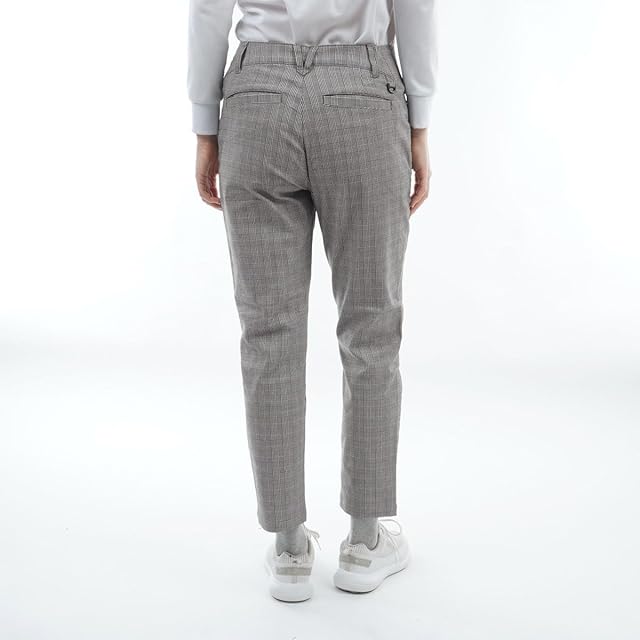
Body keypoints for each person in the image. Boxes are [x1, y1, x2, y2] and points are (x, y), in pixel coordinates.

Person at [187, 0, 437, 601]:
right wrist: (420, 121)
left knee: (267, 333)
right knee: (371, 327)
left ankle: (289, 549)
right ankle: (365, 542)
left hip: (256, 97)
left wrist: (204, 124)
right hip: (364, 93)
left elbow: (208, 7)